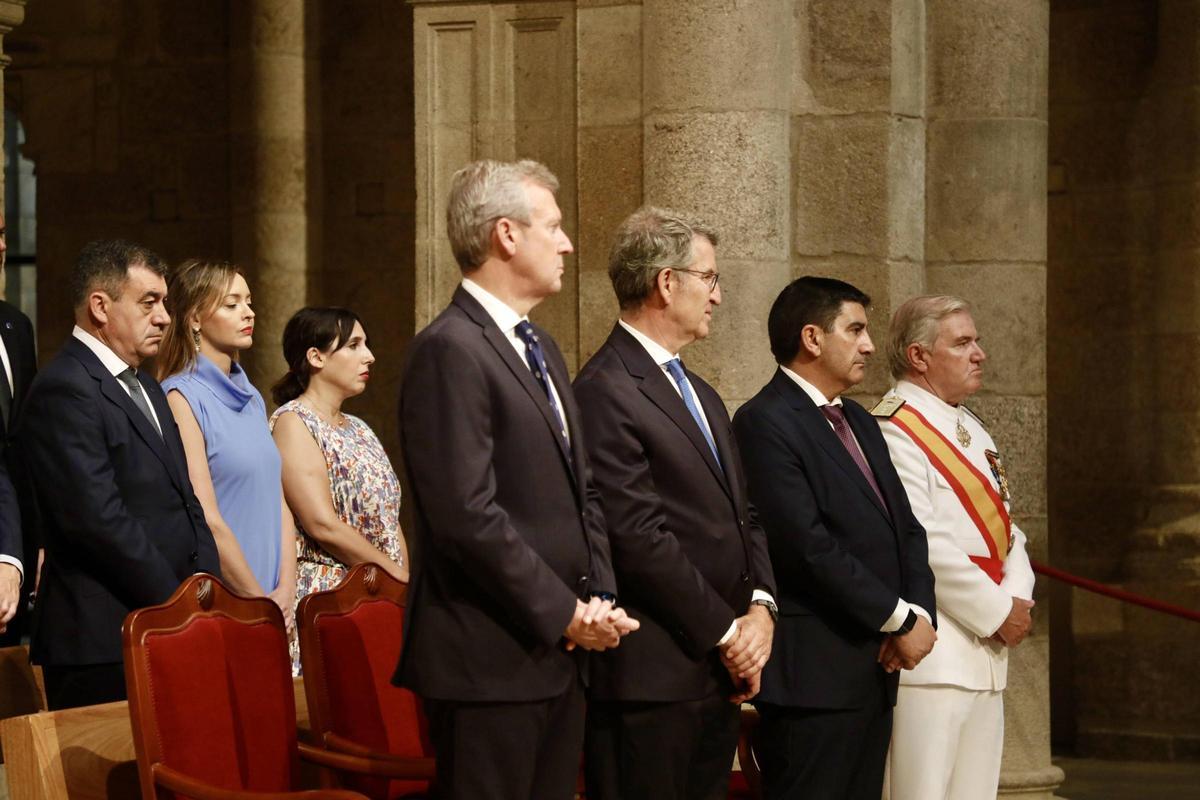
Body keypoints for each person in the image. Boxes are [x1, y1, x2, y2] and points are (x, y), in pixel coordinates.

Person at [396, 158, 638, 800]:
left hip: (558, 653)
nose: (565, 242)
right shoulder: (450, 349)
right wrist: (563, 612)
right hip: (487, 658)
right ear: (506, 234)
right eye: (552, 226)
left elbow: (583, 489)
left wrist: (600, 599)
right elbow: (466, 516)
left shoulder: (543, 348)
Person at [574, 206, 777, 800]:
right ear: (668, 282)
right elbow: (637, 535)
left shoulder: (702, 393)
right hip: (652, 677)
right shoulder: (606, 388)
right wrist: (727, 632)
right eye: (709, 278)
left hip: (715, 671)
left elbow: (747, 514)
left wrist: (761, 609)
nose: (718, 295)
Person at [731, 276, 937, 800]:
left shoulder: (861, 422)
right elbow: (805, 547)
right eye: (856, 329)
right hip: (814, 678)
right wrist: (897, 616)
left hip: (873, 665)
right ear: (812, 338)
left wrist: (920, 614)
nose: (869, 345)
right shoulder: (765, 421)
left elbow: (907, 528)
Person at [20, 239, 219, 709]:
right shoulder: (65, 388)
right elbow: (97, 520)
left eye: (166, 303)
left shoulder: (147, 385)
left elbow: (186, 498)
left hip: (170, 619)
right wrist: (177, 602)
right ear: (100, 307)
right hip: (102, 637)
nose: (165, 317)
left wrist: (205, 586)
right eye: (149, 302)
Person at [877, 295, 1035, 800]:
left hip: (986, 655)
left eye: (976, 340)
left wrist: (1018, 598)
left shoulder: (971, 426)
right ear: (920, 356)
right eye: (963, 342)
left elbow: (1009, 530)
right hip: (936, 660)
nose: (979, 353)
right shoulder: (894, 428)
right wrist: (996, 611)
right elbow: (921, 541)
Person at [156, 260, 298, 630]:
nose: (248, 312)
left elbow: (277, 499)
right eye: (231, 304)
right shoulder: (180, 396)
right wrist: (256, 600)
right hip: (230, 595)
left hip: (276, 593)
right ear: (195, 319)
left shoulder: (250, 394)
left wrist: (286, 588)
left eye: (248, 301)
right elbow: (205, 516)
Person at [270, 306, 408, 673]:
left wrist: (400, 587)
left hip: (381, 594)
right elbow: (321, 524)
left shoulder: (360, 428)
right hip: (333, 599)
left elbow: (390, 517)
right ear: (315, 357)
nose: (370, 356)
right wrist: (398, 577)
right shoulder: (293, 422)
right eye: (354, 345)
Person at [0, 210, 38, 644]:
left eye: (5, 234)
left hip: (18, 553)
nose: (3, 246)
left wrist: (37, 543)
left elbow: (22, 444)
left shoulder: (15, 327)